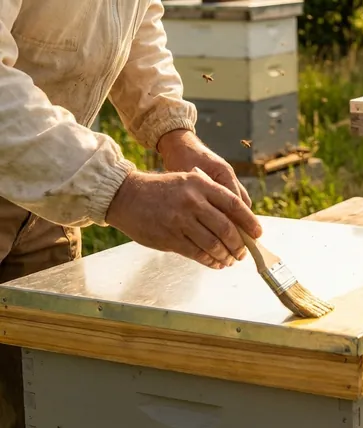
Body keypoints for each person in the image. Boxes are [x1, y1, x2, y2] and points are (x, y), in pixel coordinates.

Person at [0, 1, 263, 427]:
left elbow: (134, 20)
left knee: (44, 395)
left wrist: (172, 129)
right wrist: (118, 190)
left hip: (51, 197)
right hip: (58, 173)